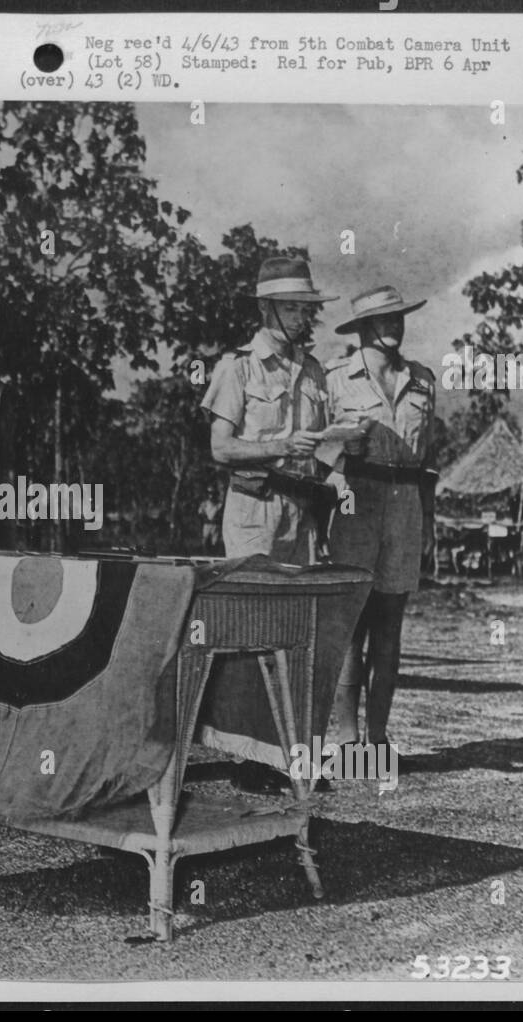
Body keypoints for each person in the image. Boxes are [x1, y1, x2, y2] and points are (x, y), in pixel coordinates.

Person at [198, 256, 339, 792]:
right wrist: (282, 446)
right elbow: (220, 447)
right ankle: (248, 759)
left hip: (300, 511)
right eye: (293, 308)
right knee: (254, 630)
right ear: (267, 309)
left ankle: (291, 752)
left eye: (308, 308)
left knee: (298, 630)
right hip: (254, 507)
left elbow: (324, 444)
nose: (305, 317)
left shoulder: (315, 370)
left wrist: (335, 472)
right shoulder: (237, 367)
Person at [319, 285, 437, 758]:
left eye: (399, 318)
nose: (394, 326)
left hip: (405, 502)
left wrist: (428, 521)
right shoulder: (335, 380)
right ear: (364, 327)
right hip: (355, 501)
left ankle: (379, 738)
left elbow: (428, 459)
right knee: (351, 625)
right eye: (384, 320)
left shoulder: (423, 380)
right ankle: (349, 742)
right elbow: (317, 450)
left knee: (391, 627)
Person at [197, 485, 222, 553]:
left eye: (213, 493)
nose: (211, 495)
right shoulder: (204, 503)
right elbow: (200, 512)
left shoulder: (219, 504)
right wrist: (204, 517)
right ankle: (205, 555)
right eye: (210, 493)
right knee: (205, 540)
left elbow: (220, 514)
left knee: (215, 542)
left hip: (215, 525)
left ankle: (214, 554)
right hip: (207, 524)